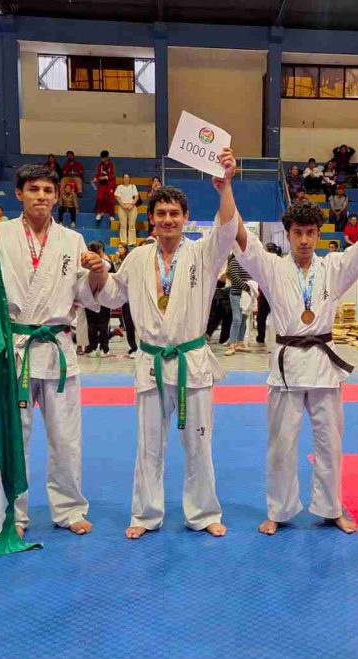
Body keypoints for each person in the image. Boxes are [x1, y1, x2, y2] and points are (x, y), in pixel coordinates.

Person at [234, 163, 358, 537]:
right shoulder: (273, 268)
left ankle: (330, 507)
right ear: (288, 235)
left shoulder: (335, 267)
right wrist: (226, 187)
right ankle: (279, 509)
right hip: (287, 366)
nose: (304, 240)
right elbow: (242, 240)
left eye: (310, 233)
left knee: (330, 443)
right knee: (281, 444)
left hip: (323, 365)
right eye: (297, 233)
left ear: (319, 235)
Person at [0, 165, 105, 552]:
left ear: (57, 196)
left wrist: (93, 273)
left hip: (57, 348)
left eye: (48, 190)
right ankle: (14, 513)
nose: (41, 195)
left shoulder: (72, 239)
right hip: (15, 351)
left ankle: (69, 509)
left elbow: (87, 296)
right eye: (33, 189)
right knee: (14, 437)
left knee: (66, 438)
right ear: (19, 194)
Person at [93, 147, 240, 540]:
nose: (168, 219)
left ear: (185, 218)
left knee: (198, 445)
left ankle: (204, 512)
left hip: (191, 361)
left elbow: (228, 230)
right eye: (161, 214)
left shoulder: (203, 253)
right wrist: (95, 274)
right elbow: (111, 297)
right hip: (152, 362)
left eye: (175, 213)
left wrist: (224, 186)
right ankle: (145, 514)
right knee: (149, 446)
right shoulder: (138, 258)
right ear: (151, 220)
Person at [114, 173, 140, 246]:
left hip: (132, 207)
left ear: (129, 178)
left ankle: (132, 242)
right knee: (123, 225)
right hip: (122, 207)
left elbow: (136, 197)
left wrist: (131, 204)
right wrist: (123, 205)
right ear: (123, 178)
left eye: (127, 177)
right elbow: (117, 197)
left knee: (132, 225)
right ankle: (123, 242)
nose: (126, 179)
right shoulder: (120, 187)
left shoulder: (133, 186)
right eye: (125, 177)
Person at [94, 150, 116, 222]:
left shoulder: (111, 165)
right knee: (99, 198)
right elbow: (97, 174)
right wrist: (96, 178)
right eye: (101, 158)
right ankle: (99, 213)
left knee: (110, 200)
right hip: (102, 185)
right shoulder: (100, 165)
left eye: (103, 158)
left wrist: (105, 177)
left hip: (110, 184)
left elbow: (112, 175)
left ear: (107, 157)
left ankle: (111, 215)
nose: (102, 159)